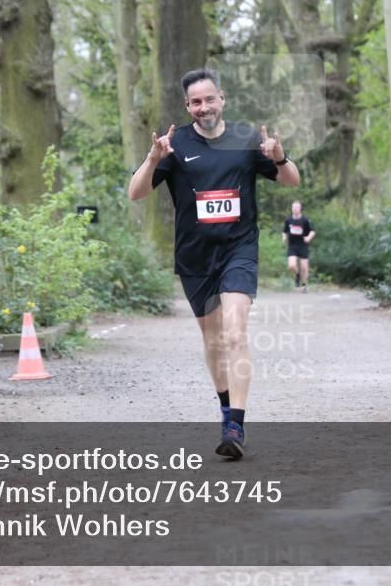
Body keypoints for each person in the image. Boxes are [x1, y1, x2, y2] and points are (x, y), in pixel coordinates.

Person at [128, 68, 300, 460]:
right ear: (187, 106)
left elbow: (291, 181)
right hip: (195, 257)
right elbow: (135, 193)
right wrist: (153, 159)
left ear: (222, 99)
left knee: (235, 333)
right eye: (196, 102)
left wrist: (279, 157)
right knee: (214, 341)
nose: (204, 107)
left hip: (238, 250)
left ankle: (235, 425)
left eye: (209, 99)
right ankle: (225, 409)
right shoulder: (174, 145)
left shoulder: (246, 139)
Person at [282, 201, 315, 292]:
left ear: (300, 209)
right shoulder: (288, 220)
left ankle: (304, 286)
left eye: (297, 207)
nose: (295, 209)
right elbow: (284, 231)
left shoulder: (305, 220)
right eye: (293, 207)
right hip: (292, 245)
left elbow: (312, 231)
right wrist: (284, 238)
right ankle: (298, 275)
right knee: (291, 265)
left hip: (303, 245)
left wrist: (308, 237)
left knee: (304, 267)